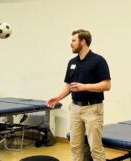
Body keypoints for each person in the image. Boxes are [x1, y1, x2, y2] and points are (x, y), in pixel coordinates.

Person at [46, 29, 111, 161]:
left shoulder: (98, 61)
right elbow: (69, 86)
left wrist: (85, 86)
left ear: (83, 41)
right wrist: (57, 98)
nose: (71, 43)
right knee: (75, 146)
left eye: (73, 40)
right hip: (75, 109)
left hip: (92, 109)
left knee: (95, 148)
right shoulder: (72, 62)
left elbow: (106, 85)